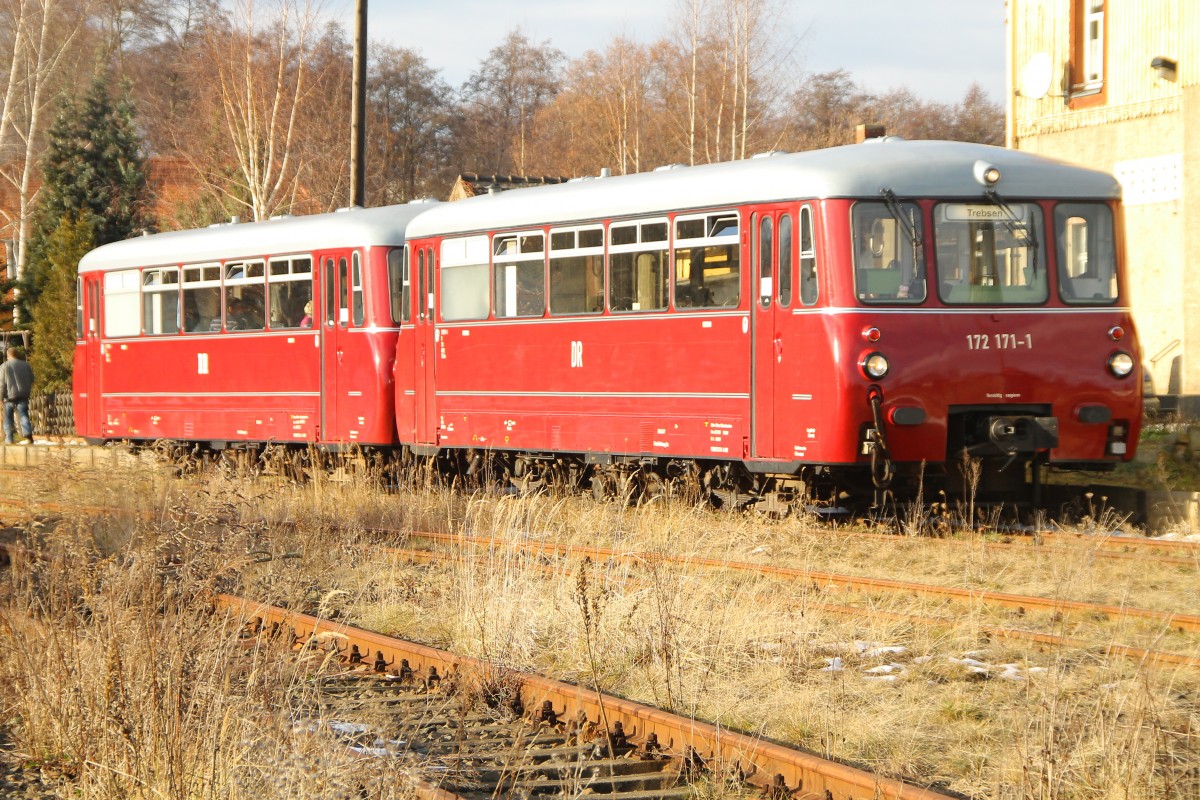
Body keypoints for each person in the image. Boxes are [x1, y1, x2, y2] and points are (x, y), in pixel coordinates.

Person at [1, 346, 35, 444]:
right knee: (23, 414)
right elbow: (32, 379)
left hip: (9, 396)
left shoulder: (4, 366)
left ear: (8, 355)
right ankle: (28, 434)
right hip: (23, 394)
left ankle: (9, 438)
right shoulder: (26, 365)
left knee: (8, 417)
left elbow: (2, 383)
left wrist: (1, 397)